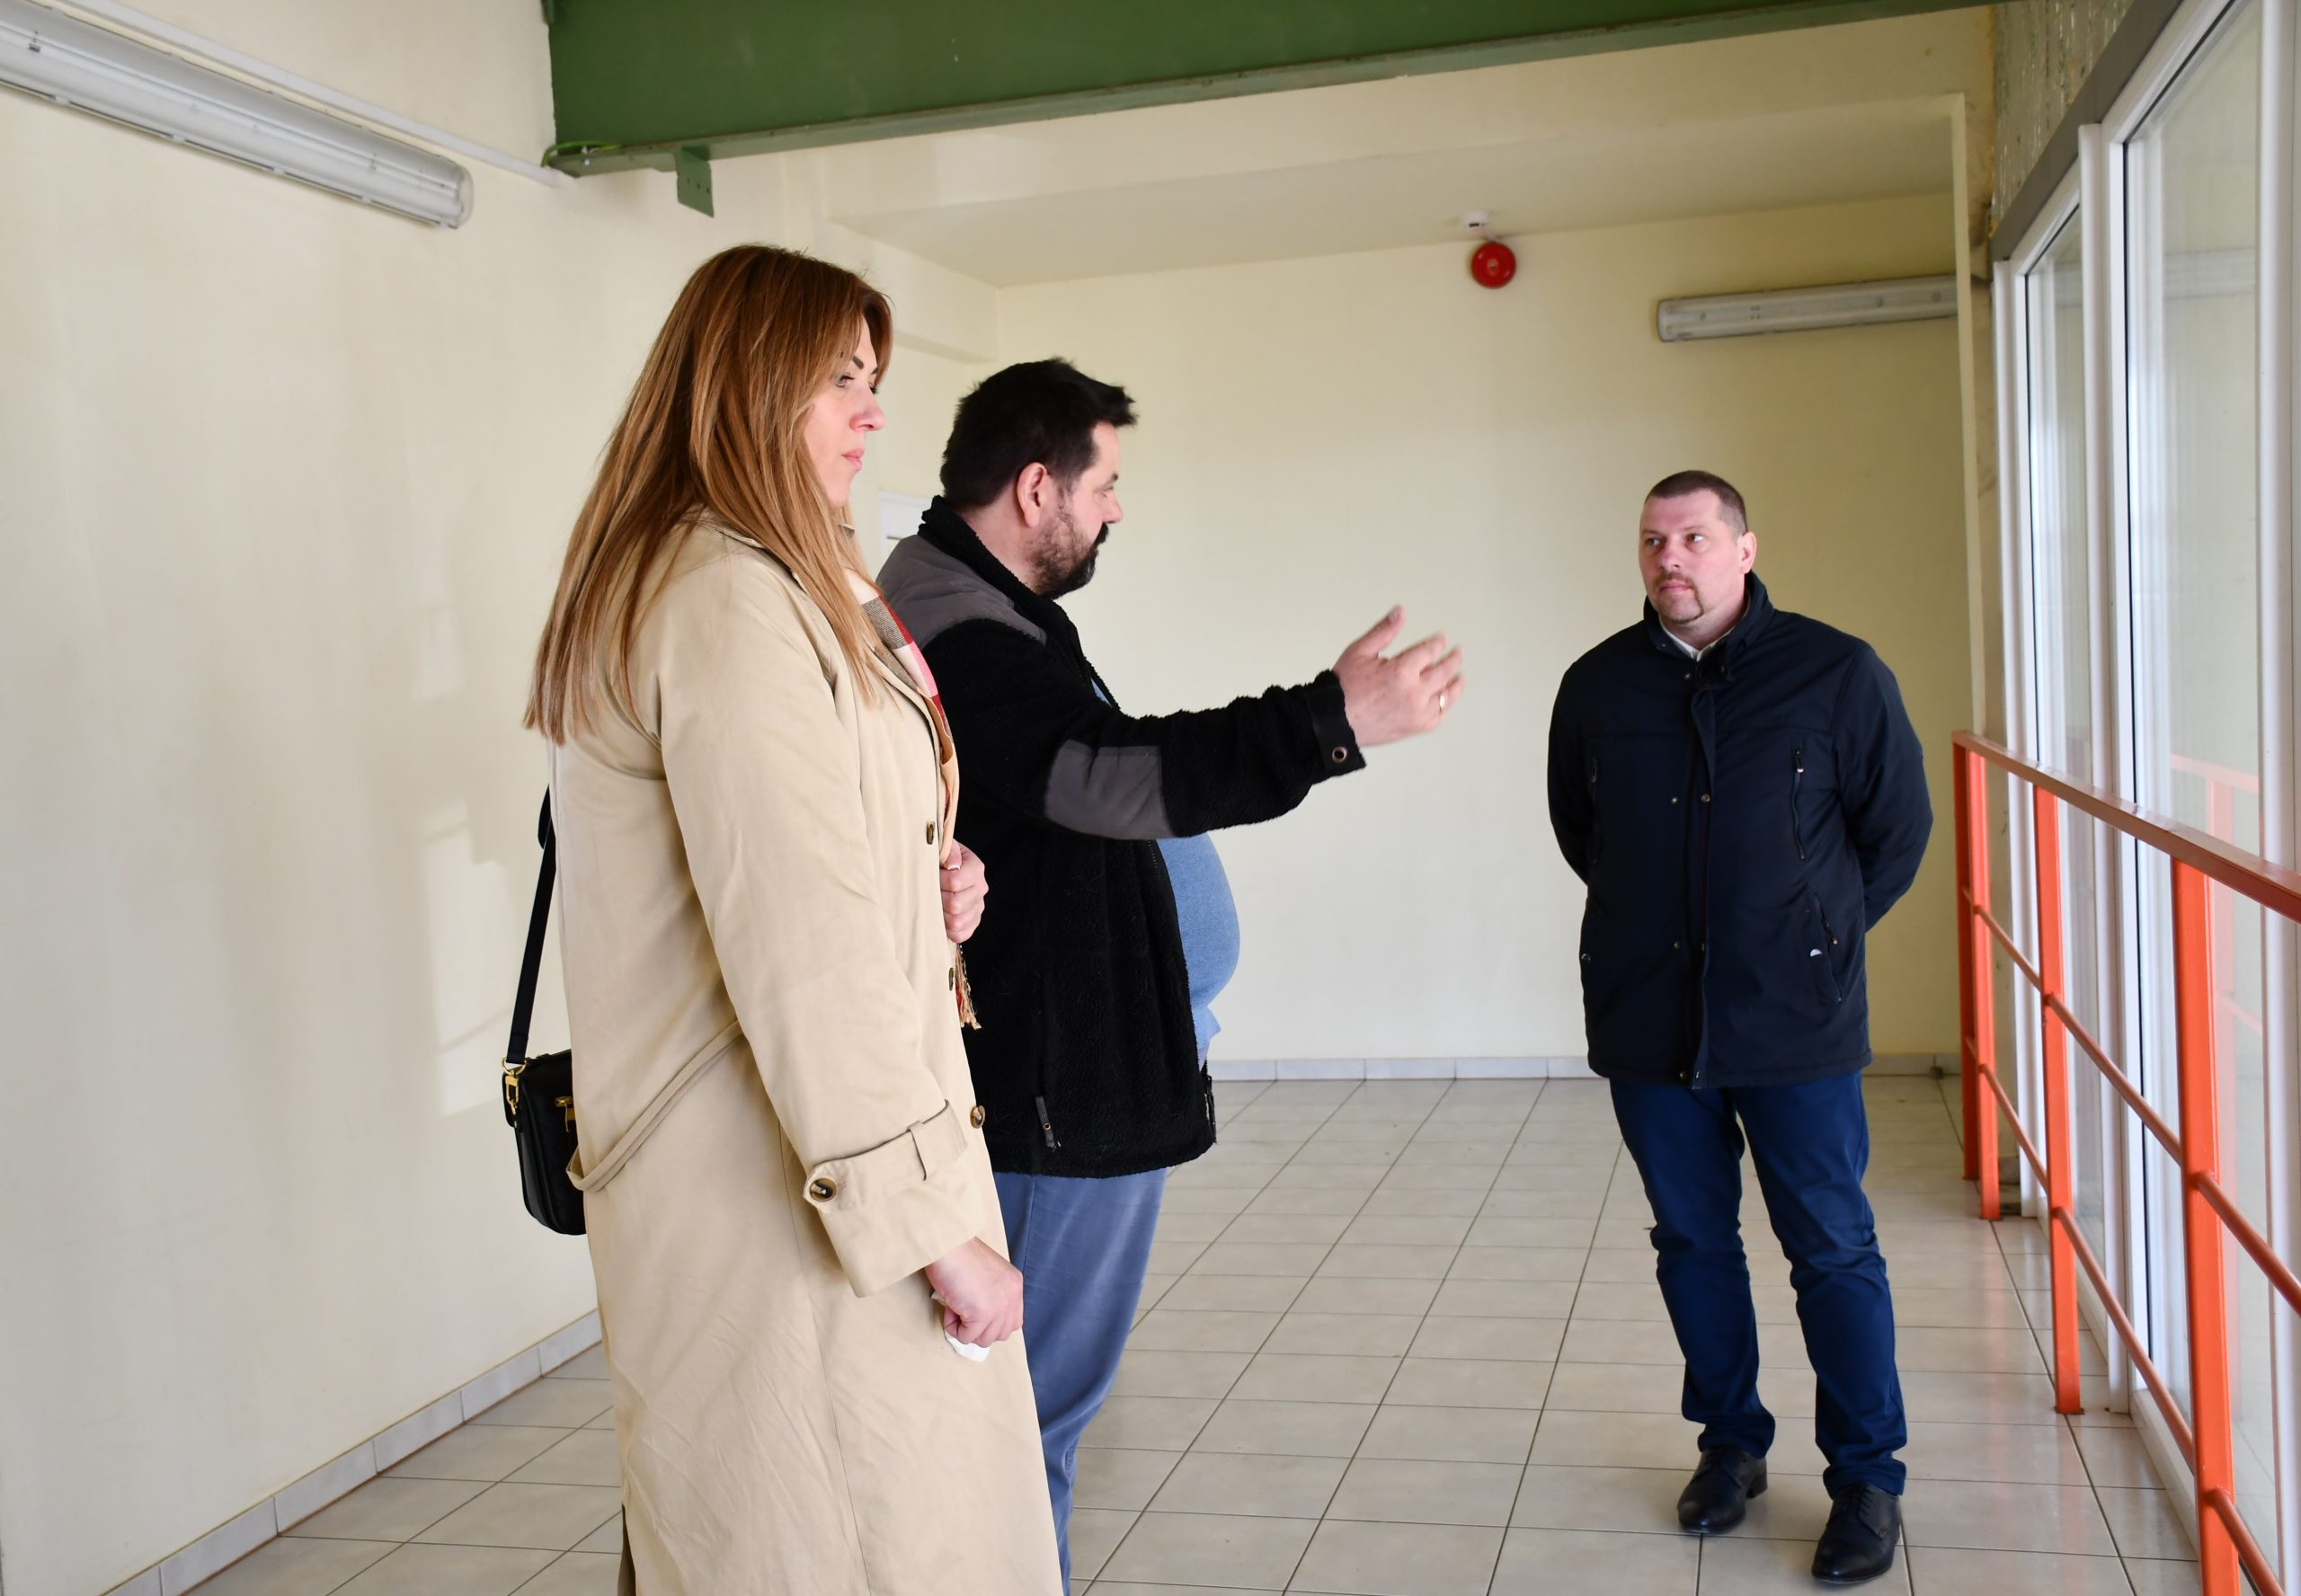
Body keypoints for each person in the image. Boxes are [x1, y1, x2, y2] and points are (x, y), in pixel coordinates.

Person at [525, 246, 1060, 1595]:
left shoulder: (764, 576)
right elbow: (802, 954)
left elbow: (797, 860)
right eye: (840, 381)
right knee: (845, 1540)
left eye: (871, 380)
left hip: (797, 1163)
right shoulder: (725, 598)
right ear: (751, 385)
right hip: (790, 1201)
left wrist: (928, 872)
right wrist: (933, 1232)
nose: (872, 413)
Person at [877, 359, 1462, 1582]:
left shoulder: (977, 598)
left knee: (1031, 1415)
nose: (1116, 510)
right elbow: (1105, 774)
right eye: (1105, 486)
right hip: (1051, 1098)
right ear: (1036, 489)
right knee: (1025, 1419)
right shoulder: (959, 626)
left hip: (1080, 1076)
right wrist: (1331, 723)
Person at [1544, 470, 1932, 1585]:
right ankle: (1730, 1447)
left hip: (1794, 1020)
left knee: (1831, 1249)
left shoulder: (1836, 671)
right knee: (1691, 1242)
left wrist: (1812, 934)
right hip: (1648, 1015)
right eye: (1653, 540)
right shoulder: (1597, 685)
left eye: (1695, 537)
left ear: (1744, 549)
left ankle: (1866, 1478)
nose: (1671, 558)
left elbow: (1894, 833)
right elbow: (1582, 833)